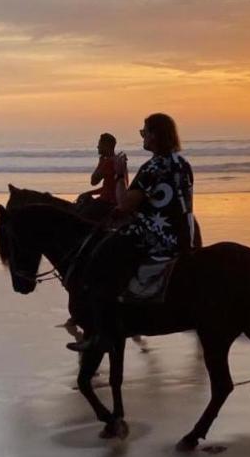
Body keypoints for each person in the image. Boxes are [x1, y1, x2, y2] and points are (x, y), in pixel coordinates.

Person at [67, 113, 195, 352]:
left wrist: (118, 172)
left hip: (154, 236)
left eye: (144, 132)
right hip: (184, 236)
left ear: (155, 136)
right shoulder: (182, 163)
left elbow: (124, 203)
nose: (142, 136)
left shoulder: (153, 167)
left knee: (99, 258)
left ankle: (101, 332)